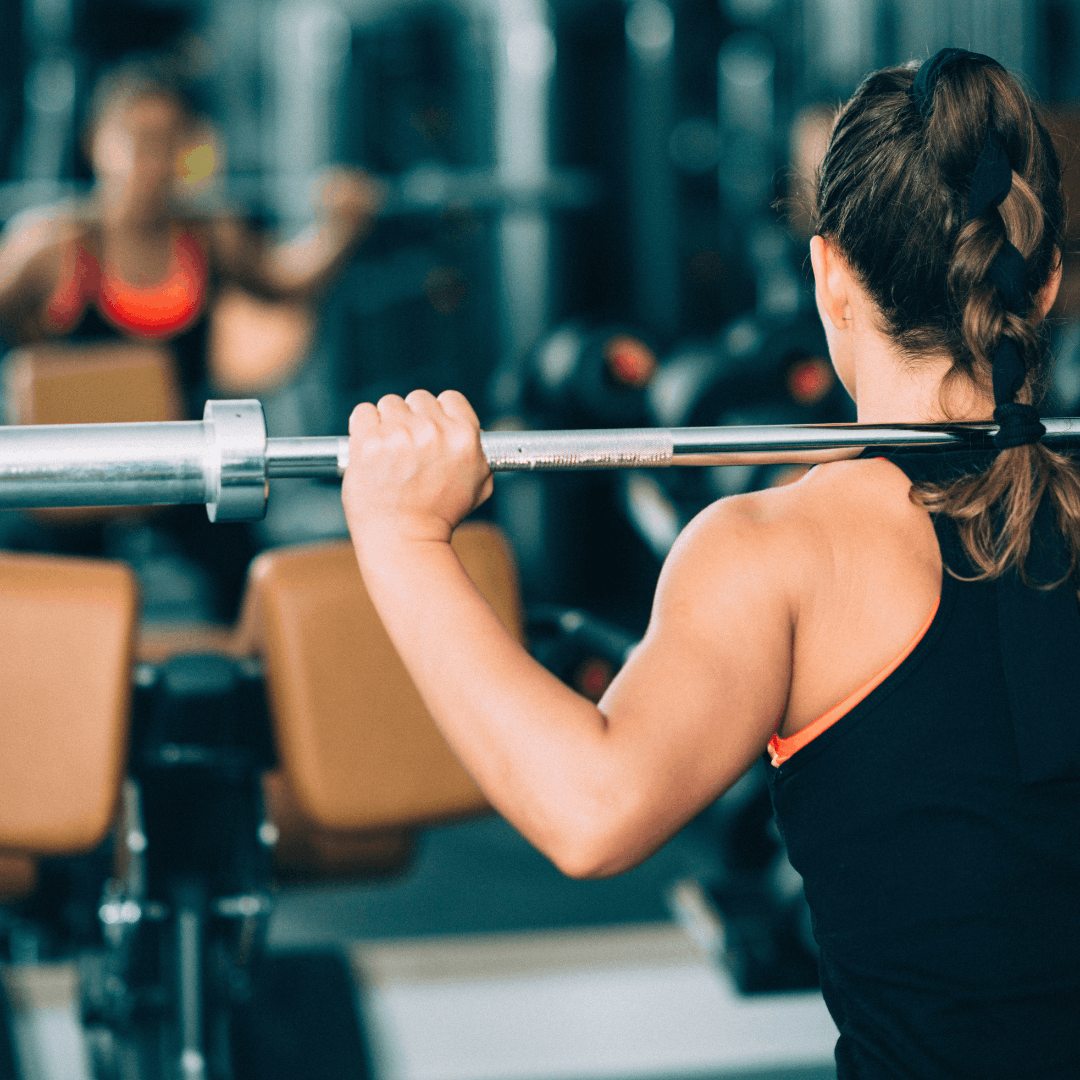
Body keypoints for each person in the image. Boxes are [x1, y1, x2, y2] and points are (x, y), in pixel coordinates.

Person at [340, 50, 1080, 1078]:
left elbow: (590, 812)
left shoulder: (781, 552)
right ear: (1043, 278)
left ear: (828, 271)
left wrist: (401, 538)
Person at [0, 58, 381, 414]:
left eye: (170, 140)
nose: (154, 158)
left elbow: (284, 283)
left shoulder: (208, 235)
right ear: (95, 142)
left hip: (183, 466)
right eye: (139, 138)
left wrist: (339, 231)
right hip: (74, 470)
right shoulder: (51, 245)